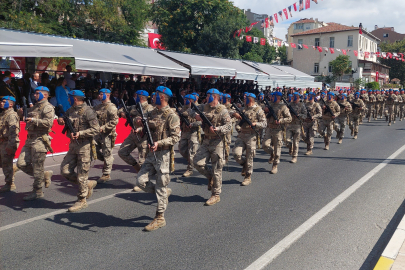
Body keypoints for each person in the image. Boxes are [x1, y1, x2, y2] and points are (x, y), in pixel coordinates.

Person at [134, 86, 180, 231]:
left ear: (161, 97)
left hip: (163, 155)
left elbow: (175, 137)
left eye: (154, 95)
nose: (152, 97)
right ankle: (163, 193)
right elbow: (149, 126)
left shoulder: (172, 116)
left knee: (161, 185)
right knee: (140, 181)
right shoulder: (153, 112)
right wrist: (141, 126)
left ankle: (160, 217)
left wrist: (159, 143)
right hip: (150, 154)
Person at [58, 90, 99, 212]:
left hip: (84, 146)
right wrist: (61, 120)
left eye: (70, 98)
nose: (68, 99)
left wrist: (80, 133)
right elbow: (66, 119)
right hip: (73, 146)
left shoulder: (88, 111)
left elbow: (96, 129)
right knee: (65, 170)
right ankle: (87, 185)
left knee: (82, 175)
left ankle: (82, 200)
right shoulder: (71, 110)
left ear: (75, 98)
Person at [191, 88, 232, 205]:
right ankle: (210, 177)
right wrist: (196, 116)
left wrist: (218, 129)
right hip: (206, 141)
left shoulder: (222, 110)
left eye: (208, 95)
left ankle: (216, 194)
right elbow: (190, 111)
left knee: (217, 169)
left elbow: (229, 125)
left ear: (214, 97)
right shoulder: (204, 107)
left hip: (217, 142)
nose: (205, 97)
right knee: (197, 162)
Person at [17, 86, 54, 200]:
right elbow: (25, 117)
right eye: (35, 93)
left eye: (37, 93)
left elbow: (49, 123)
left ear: (45, 95)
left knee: (38, 167)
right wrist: (20, 113)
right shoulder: (35, 107)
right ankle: (44, 175)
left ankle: (37, 191)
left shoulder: (48, 107)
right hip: (30, 139)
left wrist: (33, 120)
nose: (34, 95)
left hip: (40, 140)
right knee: (21, 163)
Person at [232, 93, 266, 185]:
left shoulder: (258, 110)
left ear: (250, 100)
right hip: (242, 135)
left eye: (245, 99)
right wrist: (238, 127)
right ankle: (244, 164)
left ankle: (248, 176)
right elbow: (237, 122)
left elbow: (264, 124)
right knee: (236, 154)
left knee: (249, 157)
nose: (244, 100)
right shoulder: (243, 109)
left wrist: (256, 124)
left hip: (251, 136)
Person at [118, 90, 154, 177]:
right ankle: (138, 170)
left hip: (144, 136)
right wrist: (122, 113)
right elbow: (121, 109)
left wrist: (140, 128)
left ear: (140, 97)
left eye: (136, 96)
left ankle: (143, 181)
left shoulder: (150, 109)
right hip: (133, 135)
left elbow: (151, 123)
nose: (135, 97)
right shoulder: (134, 106)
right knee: (122, 152)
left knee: (143, 160)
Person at [262, 91, 292, 174]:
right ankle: (272, 154)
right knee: (265, 145)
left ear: (278, 97)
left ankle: (275, 165)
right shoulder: (269, 104)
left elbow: (289, 118)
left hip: (278, 130)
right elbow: (262, 114)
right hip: (269, 128)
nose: (271, 97)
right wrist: (265, 110)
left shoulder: (283, 107)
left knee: (277, 148)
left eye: (273, 96)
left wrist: (281, 120)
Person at [93, 89, 119, 182]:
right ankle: (107, 160)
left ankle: (106, 174)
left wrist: (103, 128)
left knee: (107, 153)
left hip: (108, 134)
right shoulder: (98, 107)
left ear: (107, 95)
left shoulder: (112, 107)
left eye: (101, 94)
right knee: (93, 150)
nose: (99, 96)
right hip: (98, 134)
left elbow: (114, 121)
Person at [178, 94, 201, 177]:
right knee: (182, 149)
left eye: (186, 99)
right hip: (184, 132)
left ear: (191, 100)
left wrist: (192, 124)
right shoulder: (182, 109)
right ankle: (193, 160)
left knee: (192, 152)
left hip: (193, 132)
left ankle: (190, 169)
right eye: (184, 99)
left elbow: (201, 121)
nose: (184, 101)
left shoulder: (197, 109)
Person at [0, 96, 20, 192]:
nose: (1, 103)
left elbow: (13, 132)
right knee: (4, 163)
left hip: (8, 141)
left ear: (11, 104)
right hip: (3, 141)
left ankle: (10, 183)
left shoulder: (11, 115)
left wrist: (10, 145)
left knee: (6, 163)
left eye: (4, 102)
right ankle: (12, 171)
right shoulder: (3, 114)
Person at [285, 92, 307, 163]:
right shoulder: (289, 104)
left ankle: (294, 157)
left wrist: (299, 115)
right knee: (287, 140)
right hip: (289, 125)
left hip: (297, 125)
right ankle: (290, 147)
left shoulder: (301, 105)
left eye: (294, 96)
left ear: (297, 97)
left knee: (296, 142)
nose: (292, 97)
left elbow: (305, 115)